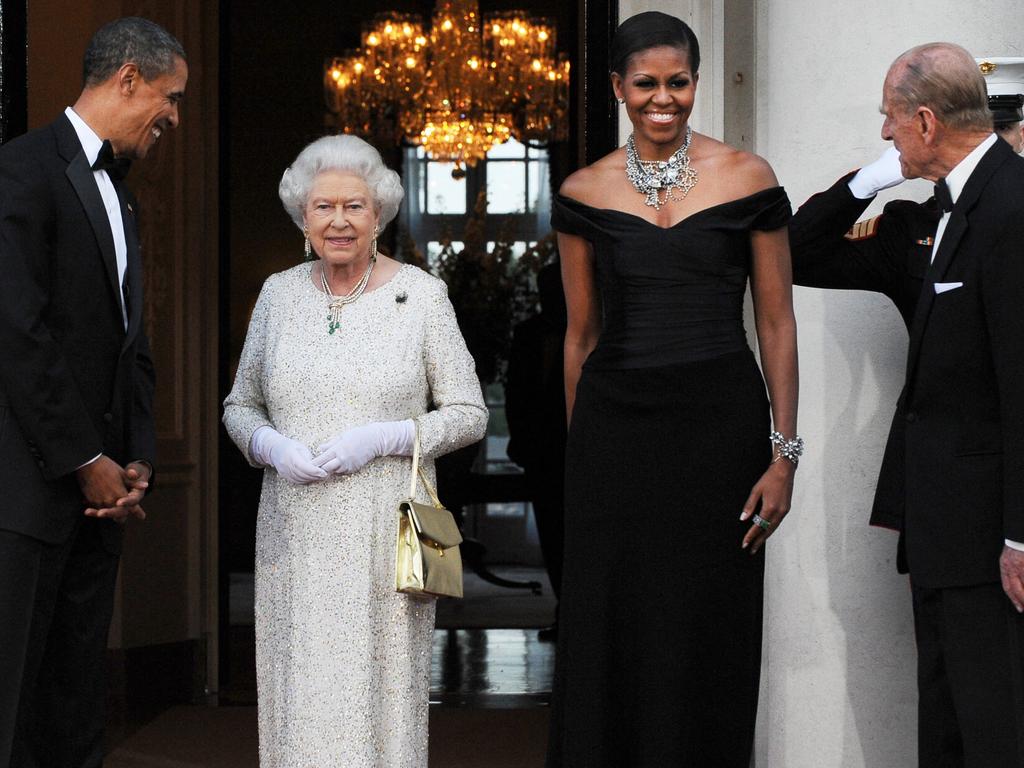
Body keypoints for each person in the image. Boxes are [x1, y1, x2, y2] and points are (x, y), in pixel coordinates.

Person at [546, 11, 800, 766]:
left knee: (708, 621)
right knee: (612, 625)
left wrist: (783, 455)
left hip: (721, 430)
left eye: (679, 82)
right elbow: (579, 336)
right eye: (648, 84)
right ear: (619, 88)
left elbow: (779, 324)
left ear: (697, 83)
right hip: (616, 432)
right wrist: (580, 455)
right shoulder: (583, 191)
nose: (665, 99)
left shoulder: (748, 176)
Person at [222, 134, 487, 767]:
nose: (339, 221)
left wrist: (388, 436)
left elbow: (470, 412)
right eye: (323, 207)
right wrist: (267, 444)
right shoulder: (278, 295)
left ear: (379, 215)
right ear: (302, 217)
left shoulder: (421, 296)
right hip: (294, 527)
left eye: (355, 207)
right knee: (298, 685)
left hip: (382, 529)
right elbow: (239, 405)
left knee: (380, 693)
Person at [0, 17, 184, 767]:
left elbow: (128, 346)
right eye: (170, 97)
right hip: (30, 493)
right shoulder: (22, 169)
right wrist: (85, 458)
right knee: (13, 702)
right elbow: (18, 332)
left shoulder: (126, 196)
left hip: (102, 499)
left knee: (78, 703)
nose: (173, 115)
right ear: (128, 79)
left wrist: (134, 460)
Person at [854, 43, 1024, 768]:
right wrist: (874, 178)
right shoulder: (953, 202)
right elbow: (799, 242)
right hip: (943, 531)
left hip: (991, 544)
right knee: (948, 732)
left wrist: (1021, 539)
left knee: (995, 735)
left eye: (891, 122)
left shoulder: (1013, 206)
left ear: (925, 120)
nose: (886, 136)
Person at [505, 261, 567, 640]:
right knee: (551, 535)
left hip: (579, 451)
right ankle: (563, 608)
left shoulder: (593, 328)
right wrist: (520, 442)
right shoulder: (528, 334)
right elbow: (515, 394)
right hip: (539, 452)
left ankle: (577, 614)